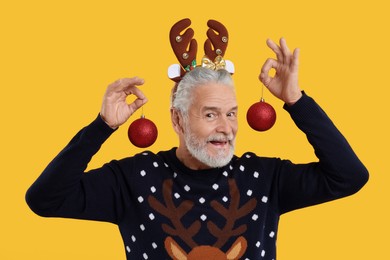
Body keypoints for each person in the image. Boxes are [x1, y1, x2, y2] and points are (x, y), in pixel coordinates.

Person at [26, 38, 369, 260]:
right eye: (210, 114)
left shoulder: (265, 177)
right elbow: (45, 199)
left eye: (231, 113)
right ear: (178, 120)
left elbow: (348, 176)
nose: (226, 127)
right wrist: (102, 127)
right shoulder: (132, 179)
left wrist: (296, 101)